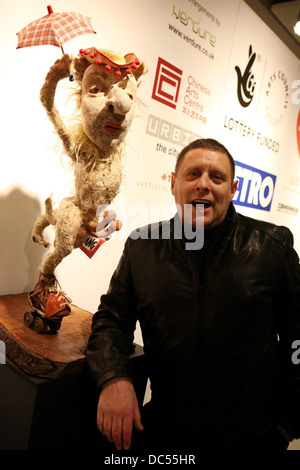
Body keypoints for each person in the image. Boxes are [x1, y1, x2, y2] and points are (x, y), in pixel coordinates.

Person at [85, 138, 300, 453]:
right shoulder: (142, 247)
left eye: (217, 177)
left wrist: (286, 425)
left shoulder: (273, 248)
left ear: (233, 189)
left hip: (253, 439)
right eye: (193, 174)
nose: (204, 185)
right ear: (173, 184)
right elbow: (111, 321)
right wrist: (114, 375)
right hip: (167, 437)